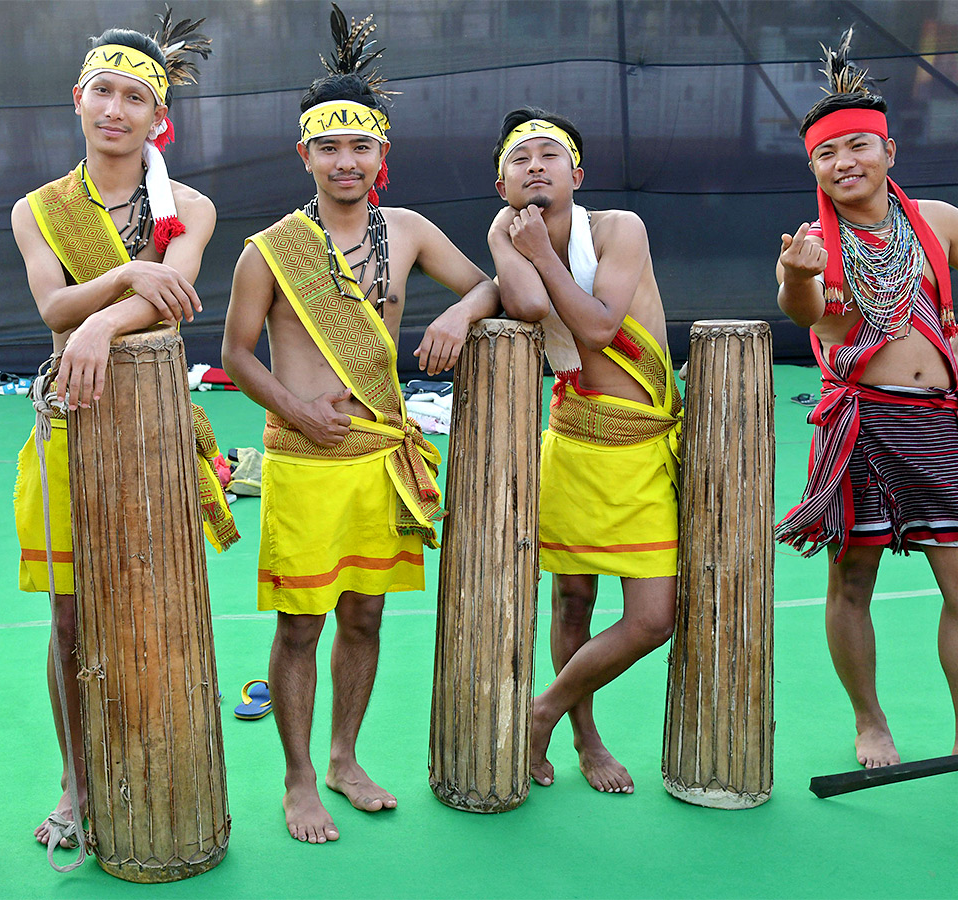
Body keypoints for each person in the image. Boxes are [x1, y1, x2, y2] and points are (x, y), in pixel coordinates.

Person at [221, 5, 497, 844]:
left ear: (383, 155)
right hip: (305, 461)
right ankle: (298, 778)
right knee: (300, 624)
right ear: (303, 155)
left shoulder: (407, 232)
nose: (346, 161)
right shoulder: (269, 249)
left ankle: (345, 758)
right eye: (329, 147)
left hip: (379, 457)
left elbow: (489, 286)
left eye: (361, 146)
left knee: (367, 617)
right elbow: (235, 354)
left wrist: (458, 315)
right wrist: (296, 408)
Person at [10, 12, 237, 852]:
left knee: (157, 607)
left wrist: (103, 321)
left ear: (158, 118)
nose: (115, 109)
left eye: (134, 97)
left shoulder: (193, 208)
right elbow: (52, 307)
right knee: (70, 621)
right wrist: (128, 276)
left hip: (154, 434)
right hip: (68, 432)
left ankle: (164, 767)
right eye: (102, 91)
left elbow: (175, 299)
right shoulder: (37, 209)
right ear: (78, 98)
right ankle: (75, 782)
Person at [775, 31, 958, 769]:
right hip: (862, 425)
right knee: (852, 580)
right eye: (827, 153)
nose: (844, 161)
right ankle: (870, 719)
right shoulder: (811, 245)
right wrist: (797, 276)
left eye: (858, 145)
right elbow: (804, 313)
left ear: (889, 152)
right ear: (813, 167)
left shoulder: (939, 222)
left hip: (942, 424)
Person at [488, 107, 680, 794]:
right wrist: (511, 244)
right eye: (519, 159)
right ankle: (585, 736)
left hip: (641, 446)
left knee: (653, 618)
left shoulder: (620, 228)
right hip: (572, 443)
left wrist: (540, 253)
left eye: (549, 155)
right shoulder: (506, 230)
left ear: (577, 174)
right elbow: (528, 309)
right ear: (503, 183)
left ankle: (542, 710)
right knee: (573, 601)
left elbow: (598, 329)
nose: (535, 166)